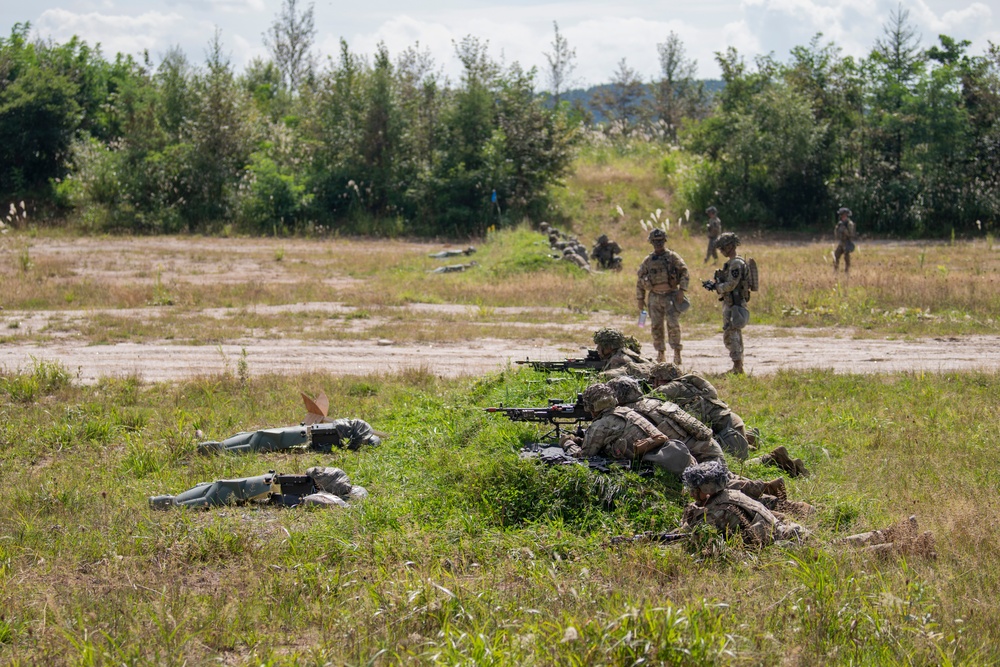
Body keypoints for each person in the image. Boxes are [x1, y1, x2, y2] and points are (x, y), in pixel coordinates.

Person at [561, 383, 695, 475]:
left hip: (659, 467)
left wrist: (567, 442)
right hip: (682, 460)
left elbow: (584, 457)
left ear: (590, 407)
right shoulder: (627, 411)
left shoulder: (600, 425)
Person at [681, 461, 810, 547]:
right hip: (786, 532)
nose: (692, 493)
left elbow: (695, 537)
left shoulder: (720, 511)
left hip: (785, 542)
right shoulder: (730, 493)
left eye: (695, 489)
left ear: (707, 490)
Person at [647, 363, 754, 459]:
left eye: (654, 380)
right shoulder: (687, 383)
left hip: (727, 429)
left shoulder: (673, 387)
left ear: (660, 378)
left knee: (734, 458)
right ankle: (751, 437)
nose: (653, 384)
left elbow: (646, 400)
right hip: (732, 422)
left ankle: (750, 442)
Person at [149, 466, 368, 510]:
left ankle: (171, 502)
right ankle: (173, 501)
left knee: (218, 492)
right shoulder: (322, 491)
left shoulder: (324, 497)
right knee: (217, 489)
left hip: (263, 488)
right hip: (267, 485)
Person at [636, 228, 690, 365]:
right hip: (654, 297)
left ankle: (677, 353)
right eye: (655, 241)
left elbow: (684, 272)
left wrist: (682, 290)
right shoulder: (648, 260)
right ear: (651, 242)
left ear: (664, 241)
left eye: (660, 241)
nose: (658, 244)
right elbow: (640, 279)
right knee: (656, 326)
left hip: (670, 296)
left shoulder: (672, 257)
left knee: (673, 325)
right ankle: (660, 354)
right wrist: (640, 299)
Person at [197, 418, 382, 455]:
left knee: (259, 437)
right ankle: (222, 448)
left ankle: (222, 447)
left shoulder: (354, 426)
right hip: (303, 435)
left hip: (304, 433)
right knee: (262, 440)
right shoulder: (357, 430)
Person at [705, 232, 750, 375]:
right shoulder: (732, 263)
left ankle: (737, 367)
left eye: (723, 248)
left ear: (730, 246)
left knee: (732, 333)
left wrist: (717, 287)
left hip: (735, 304)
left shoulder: (736, 263)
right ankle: (738, 365)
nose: (721, 251)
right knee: (731, 332)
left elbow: (731, 284)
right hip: (731, 303)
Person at [833, 207, 857, 273]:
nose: (841, 216)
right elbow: (836, 234)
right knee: (836, 255)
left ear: (846, 215)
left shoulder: (849, 224)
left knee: (846, 258)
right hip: (841, 242)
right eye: (841, 215)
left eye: (843, 215)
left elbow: (852, 235)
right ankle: (835, 270)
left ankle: (847, 271)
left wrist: (845, 230)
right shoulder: (840, 223)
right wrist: (837, 229)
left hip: (847, 242)